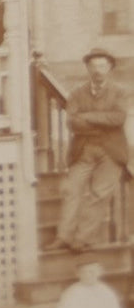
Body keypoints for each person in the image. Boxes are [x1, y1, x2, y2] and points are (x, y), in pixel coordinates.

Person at [48, 48, 132, 253]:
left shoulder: (120, 92)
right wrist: (101, 119)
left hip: (111, 152)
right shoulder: (77, 93)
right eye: (94, 66)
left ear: (110, 68)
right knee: (71, 191)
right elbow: (72, 123)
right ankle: (64, 237)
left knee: (98, 194)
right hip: (83, 150)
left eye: (102, 66)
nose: (98, 70)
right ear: (87, 68)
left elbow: (118, 118)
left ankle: (82, 238)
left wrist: (89, 117)